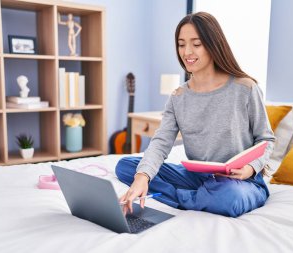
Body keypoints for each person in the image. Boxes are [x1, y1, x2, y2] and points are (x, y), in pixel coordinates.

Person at [115, 12, 275, 218]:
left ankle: (182, 198)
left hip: (239, 181)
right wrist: (142, 177)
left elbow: (266, 139)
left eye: (196, 44)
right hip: (197, 177)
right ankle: (199, 196)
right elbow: (161, 142)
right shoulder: (178, 96)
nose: (186, 51)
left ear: (212, 44)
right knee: (127, 167)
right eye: (181, 44)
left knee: (230, 197)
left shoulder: (245, 88)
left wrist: (250, 169)